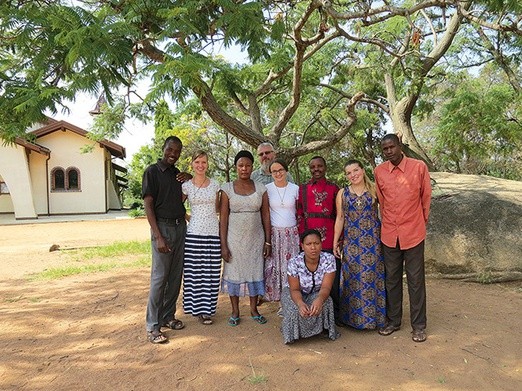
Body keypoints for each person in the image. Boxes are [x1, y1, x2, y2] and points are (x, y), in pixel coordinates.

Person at [374, 134, 432, 343]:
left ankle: (419, 326)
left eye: (392, 147)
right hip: (389, 234)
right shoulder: (379, 171)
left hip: (413, 233)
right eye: (385, 149)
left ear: (400, 147)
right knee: (391, 280)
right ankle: (393, 321)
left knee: (416, 281)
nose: (389, 151)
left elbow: (425, 198)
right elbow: (382, 201)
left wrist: (419, 223)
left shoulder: (418, 167)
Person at [142, 136, 190, 344]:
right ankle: (153, 325)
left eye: (177, 151)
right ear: (163, 149)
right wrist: (158, 236)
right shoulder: (152, 172)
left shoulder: (177, 174)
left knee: (175, 276)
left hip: (181, 228)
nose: (173, 154)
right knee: (160, 278)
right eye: (170, 150)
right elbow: (148, 205)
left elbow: (180, 199)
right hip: (162, 228)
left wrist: (188, 179)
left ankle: (168, 316)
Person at [220, 150, 272, 326]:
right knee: (233, 272)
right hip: (233, 239)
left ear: (252, 167)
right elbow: (223, 218)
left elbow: (266, 216)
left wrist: (268, 241)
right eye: (241, 165)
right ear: (236, 167)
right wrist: (223, 245)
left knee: (255, 271)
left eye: (248, 165)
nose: (244, 169)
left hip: (256, 240)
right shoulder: (226, 189)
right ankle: (235, 311)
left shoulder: (261, 188)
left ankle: (253, 309)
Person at [333, 159, 386, 330]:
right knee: (353, 278)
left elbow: (384, 214)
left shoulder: (374, 190)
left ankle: (374, 319)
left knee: (372, 277)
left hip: (373, 242)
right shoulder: (343, 193)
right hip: (352, 243)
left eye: (355, 170)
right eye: (348, 173)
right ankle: (352, 320)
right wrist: (335, 242)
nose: (352, 175)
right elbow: (340, 218)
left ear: (362, 170)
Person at [296, 156, 341, 322]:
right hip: (309, 242)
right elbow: (299, 213)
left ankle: (335, 316)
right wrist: (303, 240)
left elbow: (339, 215)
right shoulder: (303, 189)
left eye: (319, 166)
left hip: (329, 240)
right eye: (313, 166)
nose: (316, 169)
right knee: (308, 281)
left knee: (332, 280)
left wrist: (339, 240)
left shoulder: (334, 189)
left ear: (325, 167)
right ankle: (310, 316)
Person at [181, 150, 221, 325]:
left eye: (204, 162)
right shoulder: (186, 186)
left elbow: (219, 209)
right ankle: (196, 308)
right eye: (197, 162)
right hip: (194, 234)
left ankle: (208, 311)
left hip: (213, 233)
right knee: (195, 273)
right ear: (192, 164)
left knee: (211, 272)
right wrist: (189, 218)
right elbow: (177, 205)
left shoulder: (215, 185)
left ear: (207, 164)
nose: (200, 165)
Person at [281, 229, 340, 344]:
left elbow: (326, 288)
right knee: (294, 309)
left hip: (316, 292)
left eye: (316, 243)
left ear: (321, 244)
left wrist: (319, 299)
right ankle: (293, 333)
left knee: (326, 301)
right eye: (309, 244)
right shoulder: (294, 262)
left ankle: (323, 329)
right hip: (294, 292)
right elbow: (294, 289)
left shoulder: (329, 259)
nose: (313, 248)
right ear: (302, 246)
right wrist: (300, 303)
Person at [263, 159, 300, 308]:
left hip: (292, 234)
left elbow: (299, 211)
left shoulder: (295, 188)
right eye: (274, 171)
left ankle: (290, 302)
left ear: (286, 171)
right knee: (276, 268)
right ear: (270, 174)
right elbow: (265, 213)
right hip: (275, 234)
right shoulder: (267, 189)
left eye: (280, 170)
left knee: (290, 268)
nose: (278, 173)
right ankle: (279, 303)